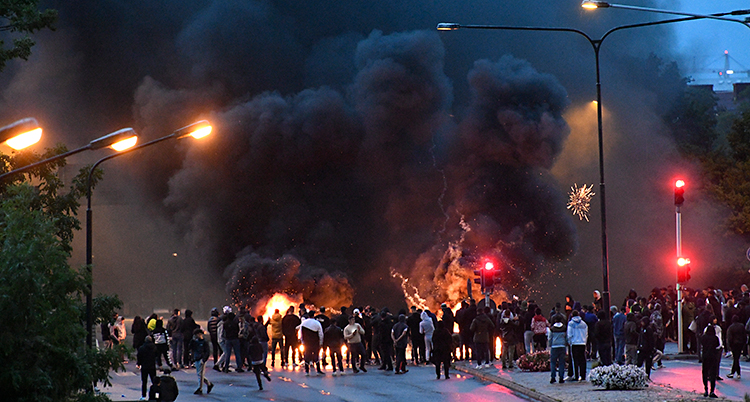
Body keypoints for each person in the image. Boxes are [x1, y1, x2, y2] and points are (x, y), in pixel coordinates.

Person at [189, 328, 214, 395]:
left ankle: (199, 388)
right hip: (196, 358)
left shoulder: (204, 342)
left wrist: (204, 359)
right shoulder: (195, 342)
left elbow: (207, 352)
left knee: (200, 374)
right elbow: (190, 347)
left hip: (201, 359)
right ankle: (209, 384)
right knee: (199, 374)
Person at [299, 311, 325, 376]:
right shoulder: (317, 323)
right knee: (316, 355)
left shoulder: (304, 323)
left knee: (307, 355)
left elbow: (301, 334)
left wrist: (302, 341)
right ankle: (318, 370)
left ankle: (307, 371)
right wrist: (321, 342)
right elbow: (320, 334)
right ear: (313, 315)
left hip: (307, 342)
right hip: (315, 342)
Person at [567, 310, 588, 381]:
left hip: (574, 343)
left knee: (575, 360)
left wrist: (570, 342)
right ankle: (583, 375)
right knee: (583, 360)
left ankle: (576, 375)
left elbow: (569, 334)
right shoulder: (584, 324)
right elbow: (586, 334)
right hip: (582, 343)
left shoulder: (571, 323)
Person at [548, 312, 568, 384]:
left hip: (554, 346)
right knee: (561, 362)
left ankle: (553, 377)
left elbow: (550, 338)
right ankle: (561, 377)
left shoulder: (552, 329)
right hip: (562, 346)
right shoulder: (564, 328)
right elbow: (566, 337)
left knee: (553, 362)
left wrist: (550, 345)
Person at [137, 336, 158, 401]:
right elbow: (157, 355)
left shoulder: (142, 348)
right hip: (152, 366)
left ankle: (143, 396)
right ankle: (156, 395)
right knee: (154, 381)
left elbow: (139, 357)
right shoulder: (154, 347)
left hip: (145, 366)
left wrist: (139, 364)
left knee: (144, 382)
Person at [702, 325, 720, 398]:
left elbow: (701, 343)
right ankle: (712, 391)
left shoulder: (704, 338)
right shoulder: (715, 338)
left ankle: (706, 389)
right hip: (713, 357)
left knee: (705, 373)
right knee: (713, 374)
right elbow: (717, 345)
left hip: (705, 356)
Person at [727, 315, 746, 379]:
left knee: (735, 358)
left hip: (734, 344)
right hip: (740, 343)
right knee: (736, 358)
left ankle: (733, 372)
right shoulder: (741, 326)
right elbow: (744, 335)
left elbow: (729, 338)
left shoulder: (731, 327)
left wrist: (729, 345)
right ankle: (737, 373)